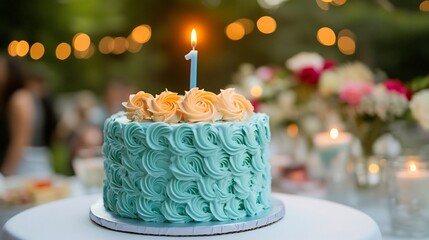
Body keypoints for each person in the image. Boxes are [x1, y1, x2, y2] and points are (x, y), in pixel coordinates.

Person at [0, 56, 53, 176]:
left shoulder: (19, 98)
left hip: (26, 167)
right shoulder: (20, 97)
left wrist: (6, 172)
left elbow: (20, 140)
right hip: (31, 163)